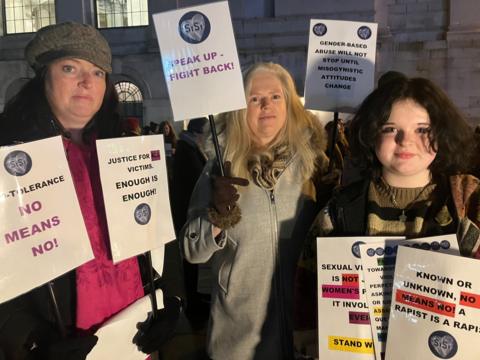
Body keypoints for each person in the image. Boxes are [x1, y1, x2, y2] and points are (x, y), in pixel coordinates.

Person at [0, 22, 182, 360]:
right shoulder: (8, 159)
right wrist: (30, 338)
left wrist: (168, 300)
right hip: (66, 341)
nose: (87, 82)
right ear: (44, 77)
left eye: (98, 72)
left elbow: (156, 236)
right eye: (70, 68)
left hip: (133, 334)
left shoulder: (128, 150)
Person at [295, 75, 480, 358]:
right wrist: (311, 339)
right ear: (372, 134)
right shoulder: (341, 208)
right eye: (391, 128)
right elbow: (307, 286)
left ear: (441, 134)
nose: (406, 141)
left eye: (422, 129)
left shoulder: (468, 203)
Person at [180, 62, 333, 359]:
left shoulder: (315, 166)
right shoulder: (221, 170)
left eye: (276, 96)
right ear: (241, 108)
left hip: (305, 332)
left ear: (289, 104)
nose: (266, 105)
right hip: (239, 336)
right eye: (254, 98)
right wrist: (215, 214)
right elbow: (191, 250)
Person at [171, 117, 210, 325]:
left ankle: (196, 302)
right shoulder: (188, 150)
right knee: (189, 263)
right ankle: (194, 307)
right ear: (198, 133)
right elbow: (194, 182)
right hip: (186, 213)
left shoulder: (189, 147)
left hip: (187, 211)